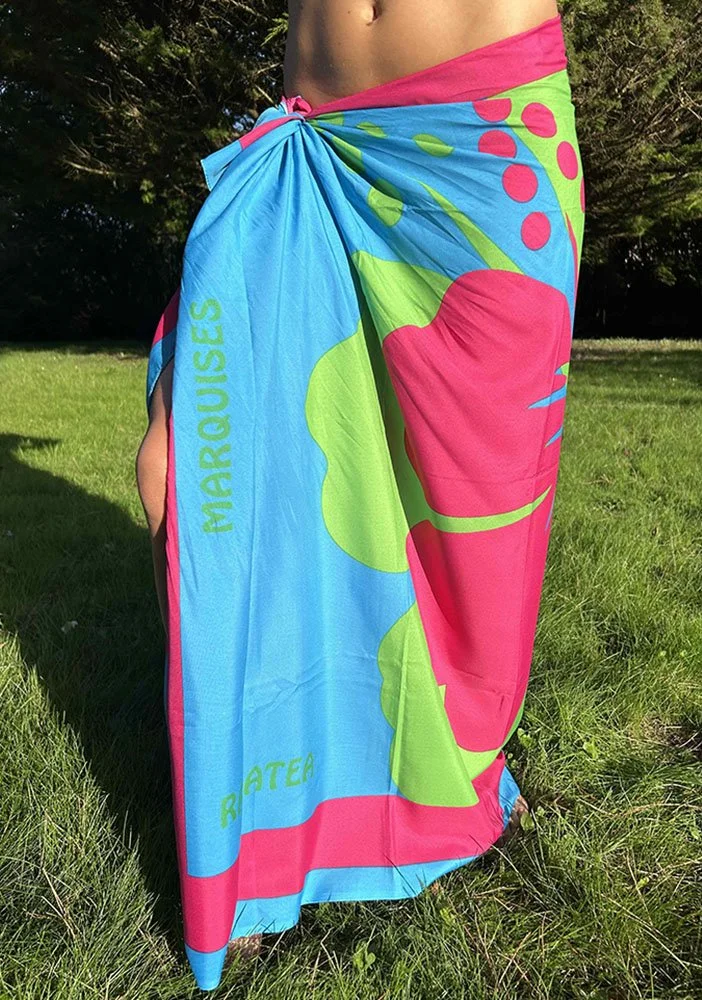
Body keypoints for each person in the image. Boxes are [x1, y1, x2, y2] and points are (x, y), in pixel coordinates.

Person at [136, 0, 581, 989]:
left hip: (479, 140)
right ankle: (255, 832)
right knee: (205, 477)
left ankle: (443, 770)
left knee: (473, 526)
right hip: (313, 147)